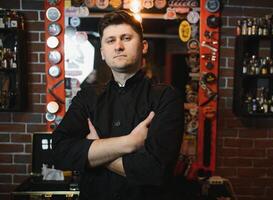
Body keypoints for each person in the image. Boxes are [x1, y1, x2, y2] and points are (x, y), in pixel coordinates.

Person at [52, 10, 184, 200]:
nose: (118, 46)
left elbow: (156, 171)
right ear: (103, 53)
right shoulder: (88, 96)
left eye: (126, 38)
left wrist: (95, 149)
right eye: (110, 40)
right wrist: (130, 143)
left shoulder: (165, 97)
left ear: (144, 46)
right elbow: (59, 152)